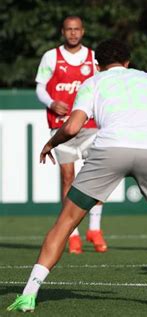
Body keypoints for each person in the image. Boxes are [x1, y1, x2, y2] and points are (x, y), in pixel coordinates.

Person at [7, 39, 147, 312]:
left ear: (97, 65)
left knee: (65, 222)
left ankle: (29, 293)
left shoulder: (93, 82)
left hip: (109, 151)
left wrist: (51, 143)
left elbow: (73, 127)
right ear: (128, 62)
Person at [35, 16, 106, 254]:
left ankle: (94, 229)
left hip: (90, 124)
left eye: (77, 29)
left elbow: (102, 86)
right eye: (69, 30)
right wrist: (52, 102)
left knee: (97, 173)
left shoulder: (93, 57)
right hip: (61, 126)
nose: (73, 33)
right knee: (68, 177)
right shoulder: (50, 56)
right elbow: (40, 87)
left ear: (83, 31)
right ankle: (72, 233)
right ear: (63, 31)